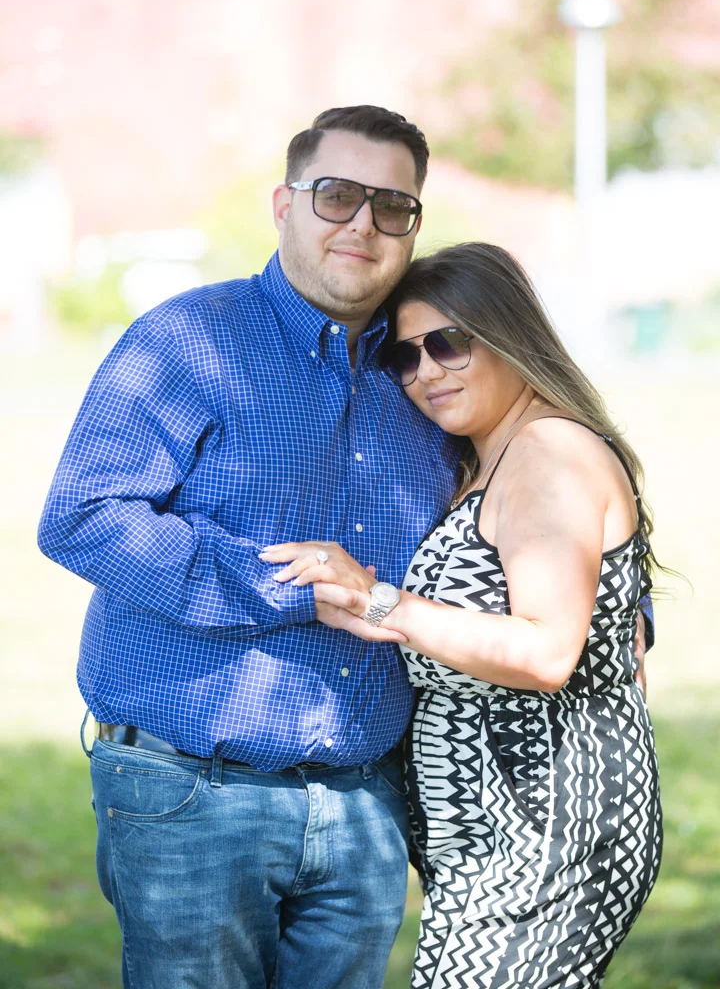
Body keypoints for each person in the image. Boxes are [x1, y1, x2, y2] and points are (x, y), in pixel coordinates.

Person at [37, 105, 465, 989]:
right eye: (337, 195)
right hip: (192, 790)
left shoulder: (428, 367)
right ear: (284, 204)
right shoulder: (188, 340)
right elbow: (84, 514)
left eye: (393, 206)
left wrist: (612, 601)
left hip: (366, 797)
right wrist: (294, 586)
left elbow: (522, 480)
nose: (363, 224)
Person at [262, 242, 662, 989]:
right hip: (490, 843)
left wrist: (382, 602)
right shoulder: (491, 456)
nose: (427, 373)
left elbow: (547, 653)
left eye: (448, 344)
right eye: (404, 357)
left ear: (508, 333)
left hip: (549, 830)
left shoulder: (547, 452)